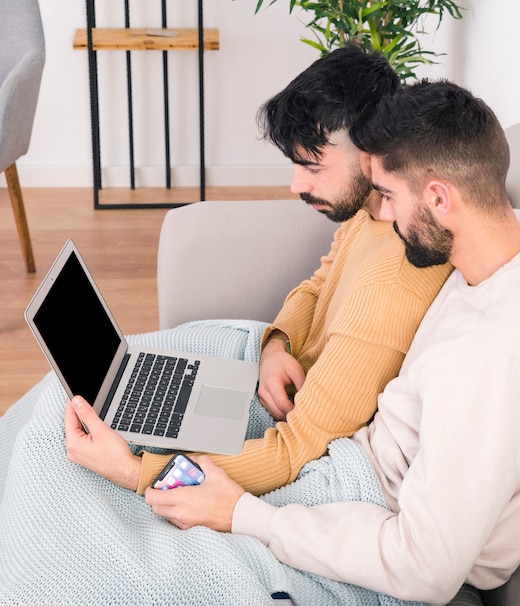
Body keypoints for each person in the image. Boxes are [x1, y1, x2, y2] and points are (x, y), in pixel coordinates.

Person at [138, 79, 520, 606]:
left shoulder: (491, 364)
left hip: (363, 509)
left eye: (389, 198)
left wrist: (241, 515)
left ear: (440, 197)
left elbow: (425, 567)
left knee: (128, 551)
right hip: (350, 474)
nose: (380, 216)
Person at [64, 45, 452, 497]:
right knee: (81, 395)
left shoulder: (395, 279)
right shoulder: (372, 212)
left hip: (279, 444)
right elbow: (317, 285)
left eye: (313, 166)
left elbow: (293, 450)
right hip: (266, 387)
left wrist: (133, 471)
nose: (296, 185)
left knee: (60, 446)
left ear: (372, 151)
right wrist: (275, 345)